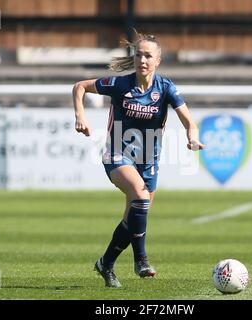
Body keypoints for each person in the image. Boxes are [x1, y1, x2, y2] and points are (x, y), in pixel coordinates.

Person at [72, 31, 205, 287]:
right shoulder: (120, 84)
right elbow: (80, 86)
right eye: (139, 55)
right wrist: (80, 115)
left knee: (131, 219)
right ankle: (141, 259)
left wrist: (192, 137)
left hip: (149, 162)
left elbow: (189, 121)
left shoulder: (166, 88)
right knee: (141, 198)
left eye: (148, 56)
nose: (142, 60)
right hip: (117, 156)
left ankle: (105, 264)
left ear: (158, 61)